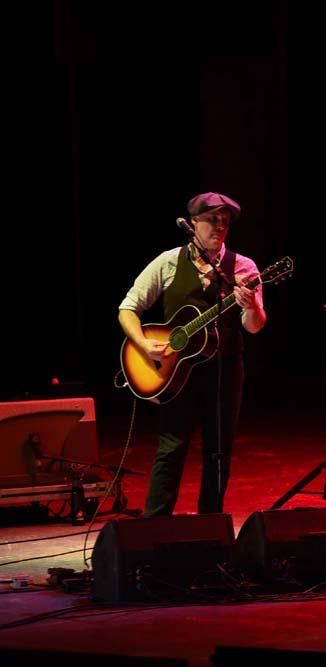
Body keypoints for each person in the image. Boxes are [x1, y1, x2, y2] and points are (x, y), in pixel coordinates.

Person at [118, 192, 266, 516]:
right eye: (213, 220)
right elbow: (128, 308)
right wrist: (143, 344)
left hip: (224, 371)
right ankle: (154, 528)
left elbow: (254, 327)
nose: (220, 226)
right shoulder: (168, 262)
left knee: (219, 453)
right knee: (171, 448)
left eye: (225, 222)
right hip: (174, 372)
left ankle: (210, 528)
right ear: (194, 223)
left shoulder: (243, 267)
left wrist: (250, 304)